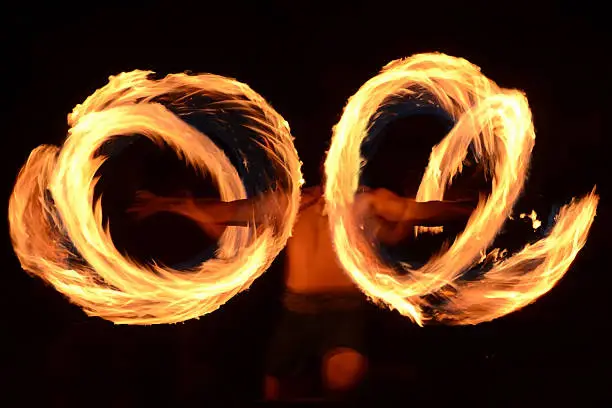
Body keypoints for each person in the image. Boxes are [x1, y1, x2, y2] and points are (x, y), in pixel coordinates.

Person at [128, 181, 475, 401]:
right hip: (296, 311)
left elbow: (414, 210)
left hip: (343, 310)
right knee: (277, 392)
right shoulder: (289, 204)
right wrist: (167, 204)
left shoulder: (365, 202)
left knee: (342, 385)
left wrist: (468, 208)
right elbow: (228, 212)